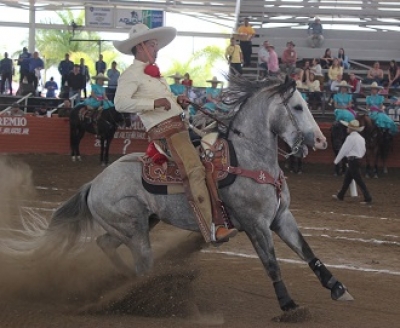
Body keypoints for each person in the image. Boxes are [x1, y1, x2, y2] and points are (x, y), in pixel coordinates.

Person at [113, 23, 237, 243]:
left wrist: (177, 101)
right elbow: (120, 103)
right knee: (195, 171)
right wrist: (153, 102)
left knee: (213, 158)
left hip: (180, 126)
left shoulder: (154, 75)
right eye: (153, 45)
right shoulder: (130, 75)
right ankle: (212, 229)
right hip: (166, 133)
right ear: (140, 47)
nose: (157, 49)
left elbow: (165, 103)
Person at [332, 120, 372, 205]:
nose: (347, 128)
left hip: (353, 160)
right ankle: (340, 195)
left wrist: (336, 161)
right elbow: (363, 150)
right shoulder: (361, 138)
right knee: (347, 179)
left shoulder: (350, 138)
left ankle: (368, 197)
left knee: (358, 180)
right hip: (358, 160)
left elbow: (344, 149)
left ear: (350, 129)